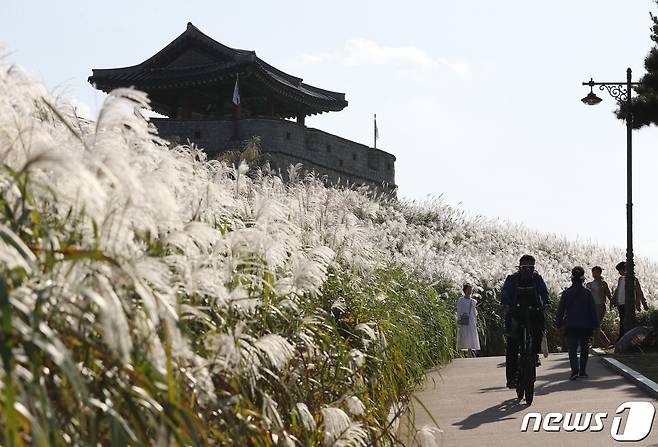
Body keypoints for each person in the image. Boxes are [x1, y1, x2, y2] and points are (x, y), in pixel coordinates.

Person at [501, 255, 550, 389]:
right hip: (516, 312)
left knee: (539, 330)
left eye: (531, 268)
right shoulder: (512, 279)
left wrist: (546, 302)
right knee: (512, 344)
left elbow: (544, 292)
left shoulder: (537, 278)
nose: (528, 270)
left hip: (533, 311)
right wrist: (505, 303)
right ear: (520, 267)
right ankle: (511, 378)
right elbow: (505, 292)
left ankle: (534, 354)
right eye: (525, 268)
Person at [556, 266, 599, 380]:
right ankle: (583, 371)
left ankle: (574, 371)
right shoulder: (587, 293)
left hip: (571, 325)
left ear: (572, 279)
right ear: (583, 279)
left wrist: (559, 324)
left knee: (572, 349)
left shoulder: (566, 293)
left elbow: (561, 310)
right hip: (585, 326)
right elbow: (592, 310)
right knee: (584, 349)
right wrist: (595, 324)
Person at [611, 261, 649, 340]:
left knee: (627, 321)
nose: (619, 273)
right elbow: (617, 290)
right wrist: (613, 299)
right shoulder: (620, 279)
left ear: (625, 269)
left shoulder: (633, 279)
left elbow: (639, 291)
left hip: (629, 303)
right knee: (622, 321)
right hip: (620, 303)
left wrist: (643, 303)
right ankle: (622, 337)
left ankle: (627, 338)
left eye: (620, 270)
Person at [585, 266, 612, 347]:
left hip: (600, 305)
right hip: (591, 306)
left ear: (600, 273)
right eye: (593, 272)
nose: (595, 274)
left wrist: (612, 303)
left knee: (596, 324)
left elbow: (608, 294)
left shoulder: (603, 283)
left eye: (597, 272)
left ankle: (595, 344)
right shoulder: (589, 284)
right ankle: (606, 343)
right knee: (594, 325)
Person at [456, 283, 480, 354]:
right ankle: (461, 353)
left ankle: (470, 352)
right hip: (463, 319)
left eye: (471, 289)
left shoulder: (473, 301)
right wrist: (459, 318)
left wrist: (475, 320)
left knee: (471, 334)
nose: (470, 291)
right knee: (463, 334)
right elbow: (459, 310)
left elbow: (474, 311)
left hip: (471, 320)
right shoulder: (461, 300)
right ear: (465, 290)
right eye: (468, 289)